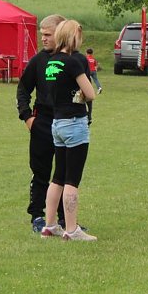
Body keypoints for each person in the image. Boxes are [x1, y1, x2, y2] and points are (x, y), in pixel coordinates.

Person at [40, 19, 97, 242]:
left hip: (57, 123)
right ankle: (72, 230)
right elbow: (90, 93)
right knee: (72, 179)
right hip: (74, 123)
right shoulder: (74, 62)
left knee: (58, 177)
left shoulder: (52, 62)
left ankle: (49, 224)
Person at [16, 14, 68, 233]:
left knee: (66, 174)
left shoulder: (72, 60)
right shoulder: (39, 61)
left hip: (67, 122)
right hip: (43, 123)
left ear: (61, 33)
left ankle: (66, 220)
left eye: (48, 34)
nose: (43, 39)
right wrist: (27, 117)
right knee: (41, 172)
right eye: (42, 34)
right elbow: (23, 89)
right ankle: (37, 216)